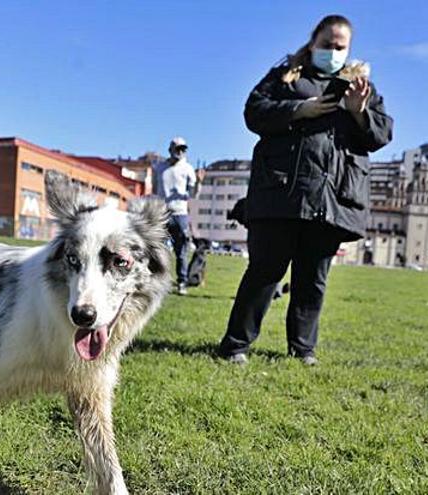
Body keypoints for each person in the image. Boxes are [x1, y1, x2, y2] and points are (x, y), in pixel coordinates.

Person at [218, 14, 393, 365]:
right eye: (327, 44)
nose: (333, 51)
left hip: (331, 199)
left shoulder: (361, 87)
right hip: (281, 191)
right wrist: (301, 109)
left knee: (313, 279)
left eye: (340, 47)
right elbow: (254, 112)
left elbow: (381, 135)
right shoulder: (286, 76)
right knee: (265, 271)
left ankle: (303, 349)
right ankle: (236, 344)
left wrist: (360, 113)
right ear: (313, 42)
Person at [152, 137, 205, 295]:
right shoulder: (160, 168)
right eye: (178, 148)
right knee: (157, 249)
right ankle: (157, 281)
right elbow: (155, 190)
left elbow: (194, 194)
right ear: (170, 149)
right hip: (162, 213)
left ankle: (182, 282)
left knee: (181, 251)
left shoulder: (188, 169)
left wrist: (200, 182)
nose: (181, 152)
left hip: (180, 214)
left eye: (183, 149)